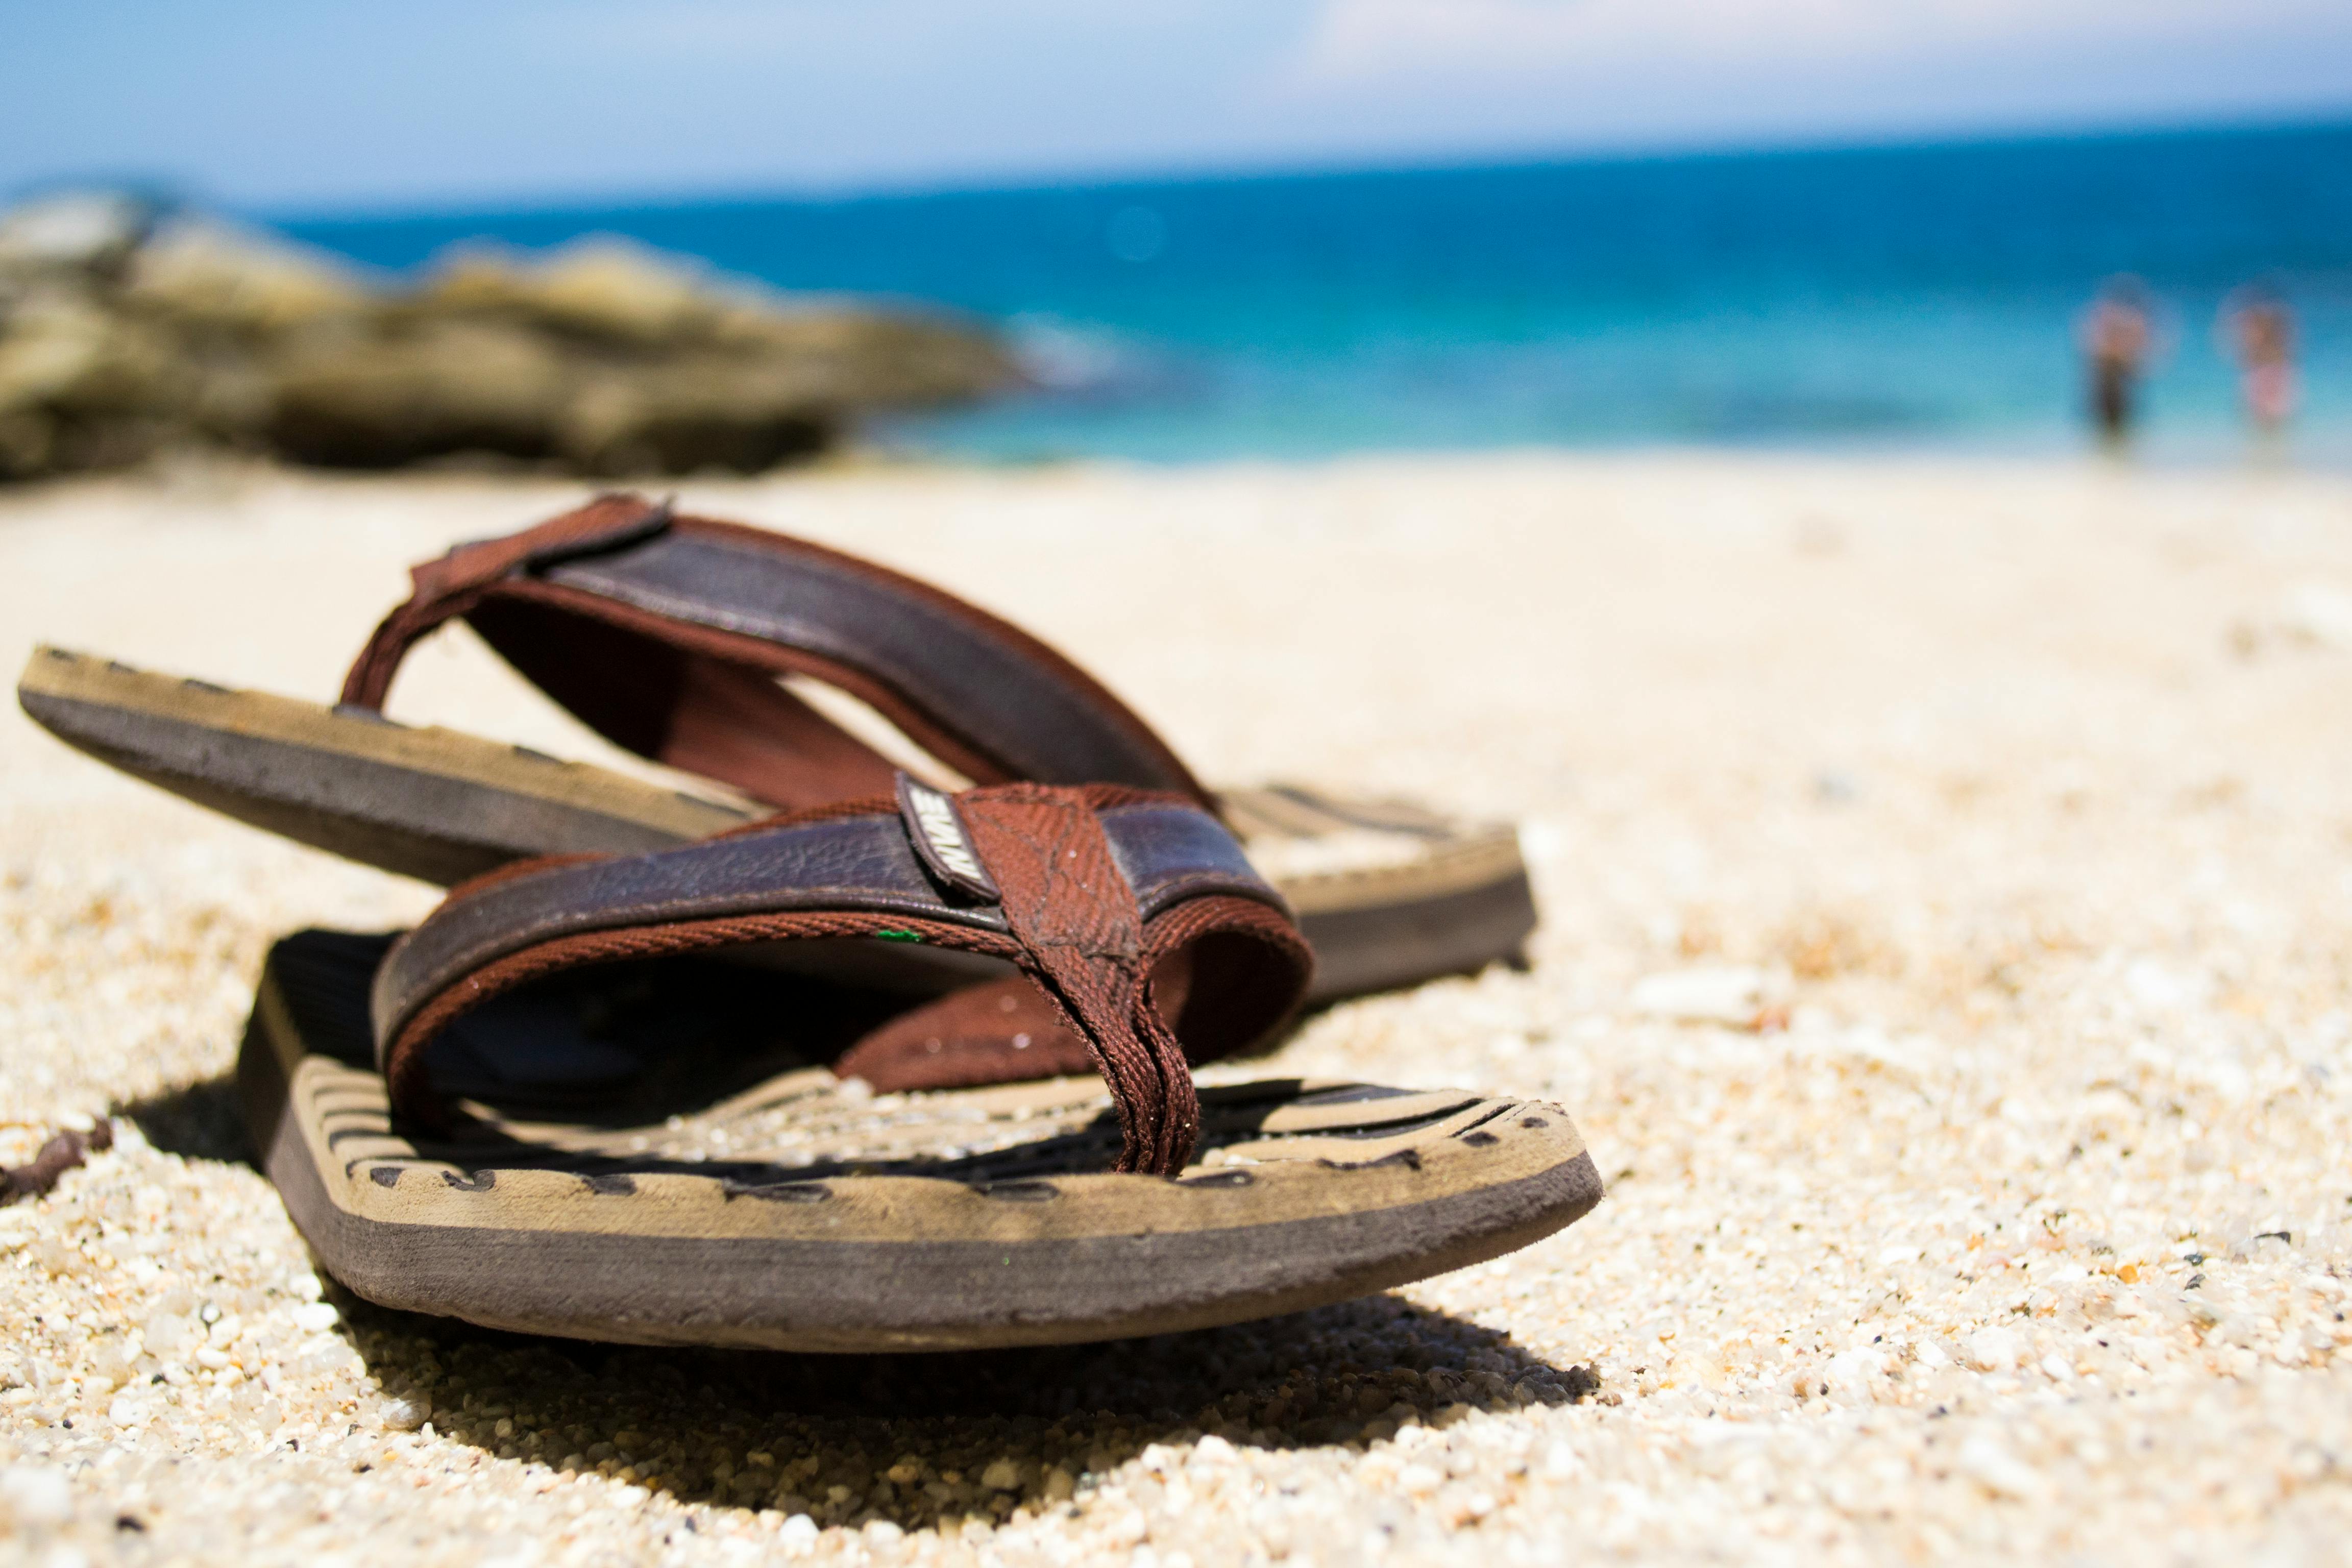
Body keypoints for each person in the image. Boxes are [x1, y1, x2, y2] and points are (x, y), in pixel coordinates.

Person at [2079, 278, 2153, 444]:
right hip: (2108, 386)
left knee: (2116, 427)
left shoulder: (2109, 323)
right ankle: (2113, 463)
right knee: (2109, 427)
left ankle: (2113, 464)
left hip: (2116, 386)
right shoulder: (2110, 323)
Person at [2220, 284, 2296, 433]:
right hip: (2271, 371)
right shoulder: (2278, 319)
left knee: (2263, 423)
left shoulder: (2260, 321)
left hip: (2265, 372)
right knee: (2273, 425)